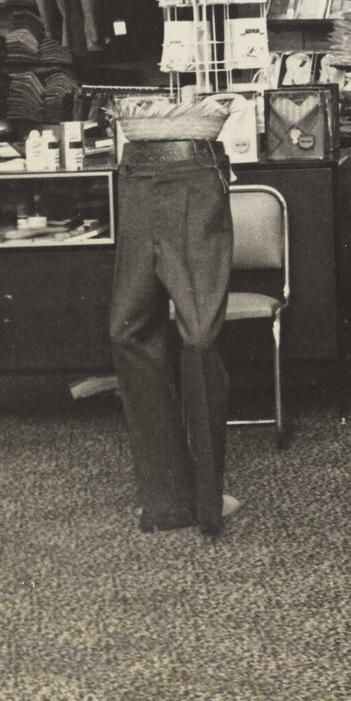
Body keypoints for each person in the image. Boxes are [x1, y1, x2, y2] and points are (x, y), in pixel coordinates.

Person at [109, 94, 242, 535]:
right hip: (134, 173)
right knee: (127, 331)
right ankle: (166, 501)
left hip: (193, 173)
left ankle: (205, 504)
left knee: (199, 338)